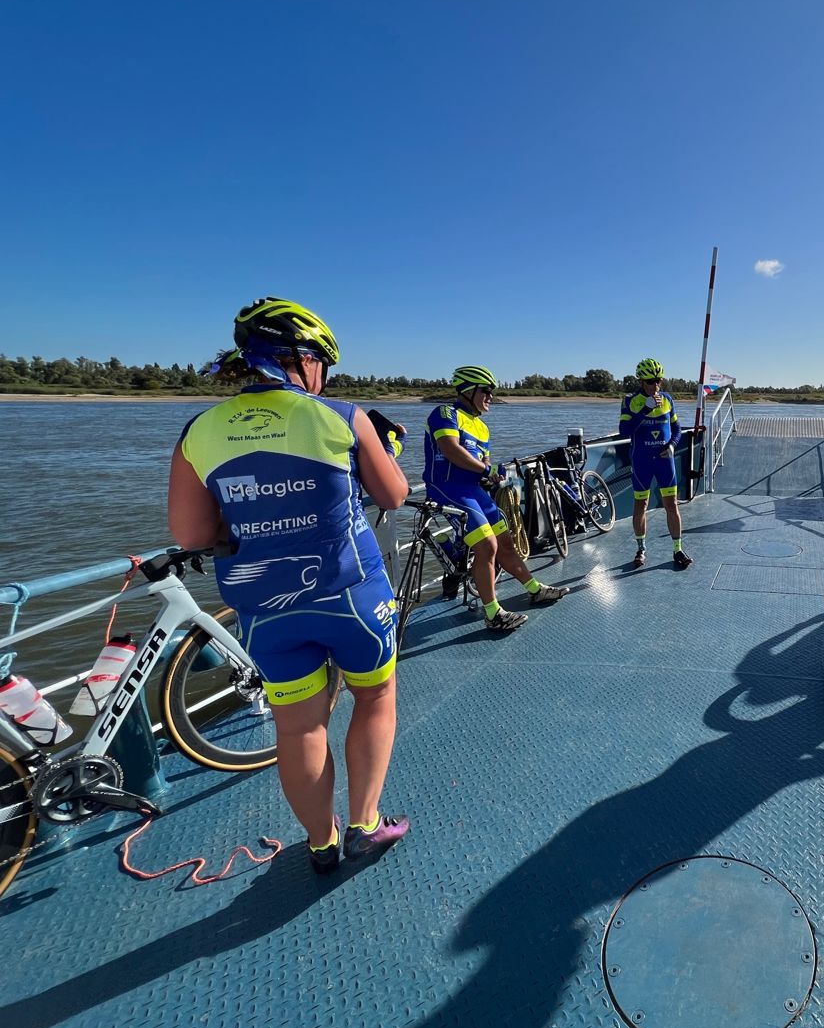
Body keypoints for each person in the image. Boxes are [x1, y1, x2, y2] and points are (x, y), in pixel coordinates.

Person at [167, 297, 411, 873]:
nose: (324, 377)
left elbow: (193, 533)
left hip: (267, 608)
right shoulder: (341, 416)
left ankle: (321, 842)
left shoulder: (199, 430)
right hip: (352, 595)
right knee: (374, 698)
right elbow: (394, 495)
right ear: (301, 360)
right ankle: (365, 825)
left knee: (299, 725)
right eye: (322, 363)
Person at [423, 366, 569, 631]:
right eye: (486, 391)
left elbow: (483, 461)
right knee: (487, 546)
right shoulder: (445, 413)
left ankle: (534, 589)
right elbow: (450, 450)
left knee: (506, 543)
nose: (490, 397)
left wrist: (492, 472)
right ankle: (492, 613)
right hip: (447, 488)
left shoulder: (482, 426)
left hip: (473, 491)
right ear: (468, 391)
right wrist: (485, 469)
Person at [620, 358, 692, 569]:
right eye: (651, 381)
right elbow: (624, 431)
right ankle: (641, 549)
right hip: (642, 461)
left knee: (672, 505)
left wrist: (672, 446)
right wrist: (644, 410)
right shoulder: (630, 401)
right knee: (640, 505)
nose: (655, 385)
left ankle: (678, 550)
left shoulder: (668, 399)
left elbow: (677, 428)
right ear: (642, 381)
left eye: (659, 380)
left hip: (664, 462)